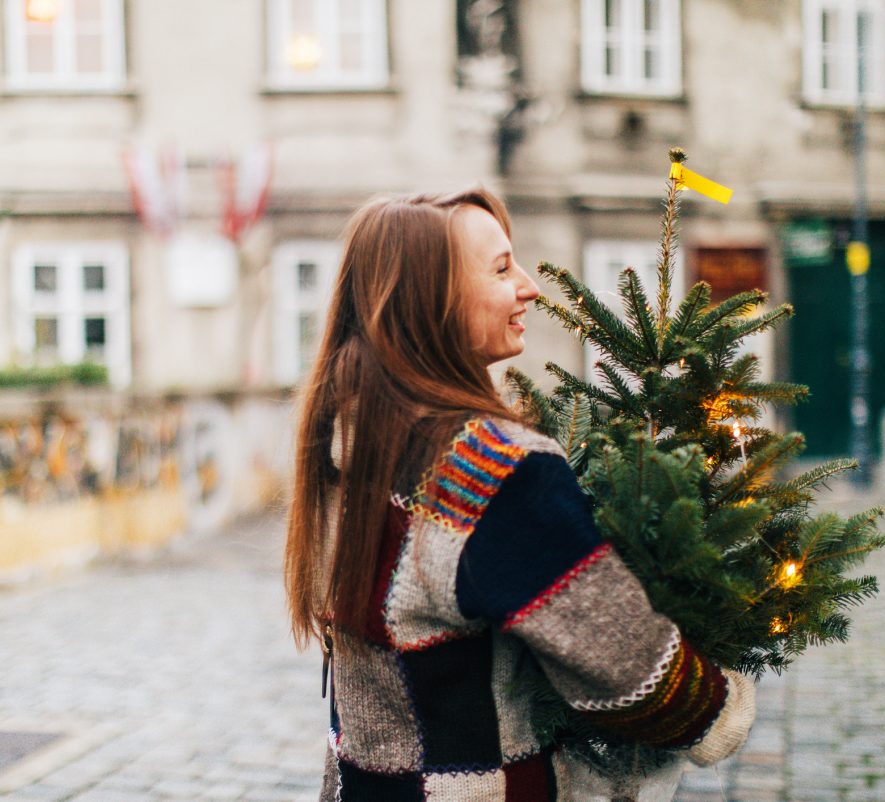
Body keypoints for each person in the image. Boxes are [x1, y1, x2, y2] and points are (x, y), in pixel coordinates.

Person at [285, 188, 756, 802]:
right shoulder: (493, 470)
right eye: (502, 269)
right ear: (433, 300)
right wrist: (724, 710)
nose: (530, 287)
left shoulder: (345, 441)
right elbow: (626, 666)